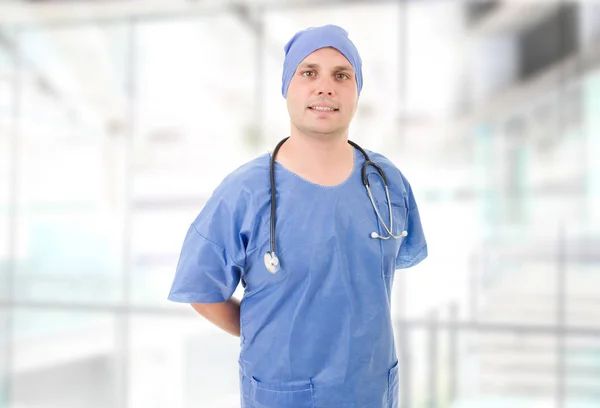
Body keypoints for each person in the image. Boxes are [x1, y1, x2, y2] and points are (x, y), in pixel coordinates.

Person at [167, 24, 428, 408]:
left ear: (357, 91)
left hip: (370, 389)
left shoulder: (386, 180)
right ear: (288, 86)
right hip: (281, 393)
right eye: (309, 73)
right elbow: (203, 292)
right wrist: (261, 333)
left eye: (342, 75)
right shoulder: (245, 191)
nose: (325, 87)